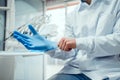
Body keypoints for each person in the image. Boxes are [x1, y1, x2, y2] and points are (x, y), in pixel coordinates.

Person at [13, 0, 120, 80]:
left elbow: (117, 42)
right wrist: (51, 47)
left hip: (107, 71)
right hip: (75, 70)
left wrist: (78, 43)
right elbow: (70, 52)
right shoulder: (72, 15)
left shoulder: (116, 3)